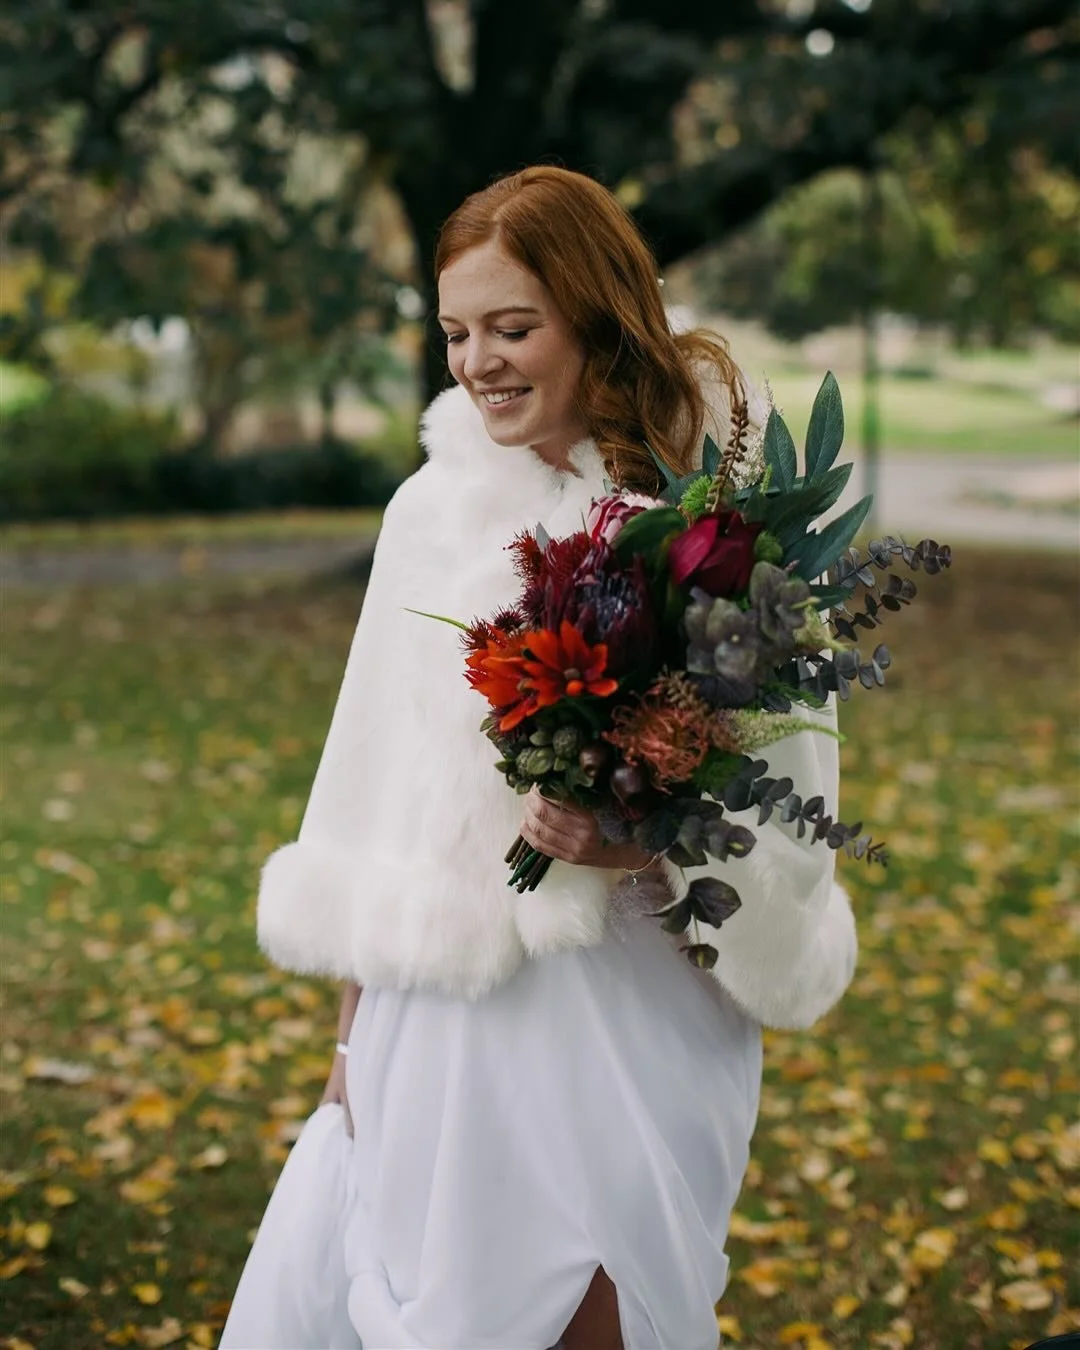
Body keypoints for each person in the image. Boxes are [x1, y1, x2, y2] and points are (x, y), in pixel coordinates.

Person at [219, 165, 857, 1350]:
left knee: (606, 1310)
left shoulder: (721, 517)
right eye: (456, 332)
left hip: (647, 993)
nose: (478, 362)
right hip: (457, 1007)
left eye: (514, 327)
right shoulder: (431, 512)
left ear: (598, 316)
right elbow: (372, 783)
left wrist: (635, 842)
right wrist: (352, 1039)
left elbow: (792, 776)